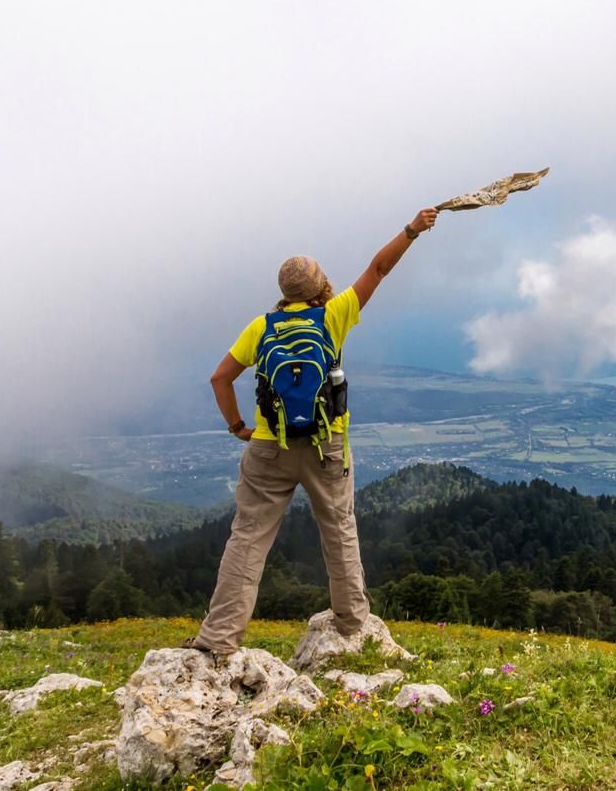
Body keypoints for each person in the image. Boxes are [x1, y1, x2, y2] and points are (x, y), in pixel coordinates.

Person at [185, 207, 439, 656]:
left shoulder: (261, 327)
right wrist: (411, 230)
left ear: (284, 292)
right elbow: (379, 268)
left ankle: (219, 638)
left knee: (247, 536)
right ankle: (351, 624)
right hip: (327, 444)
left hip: (268, 446)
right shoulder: (333, 316)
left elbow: (219, 378)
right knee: (339, 527)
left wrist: (239, 426)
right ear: (321, 286)